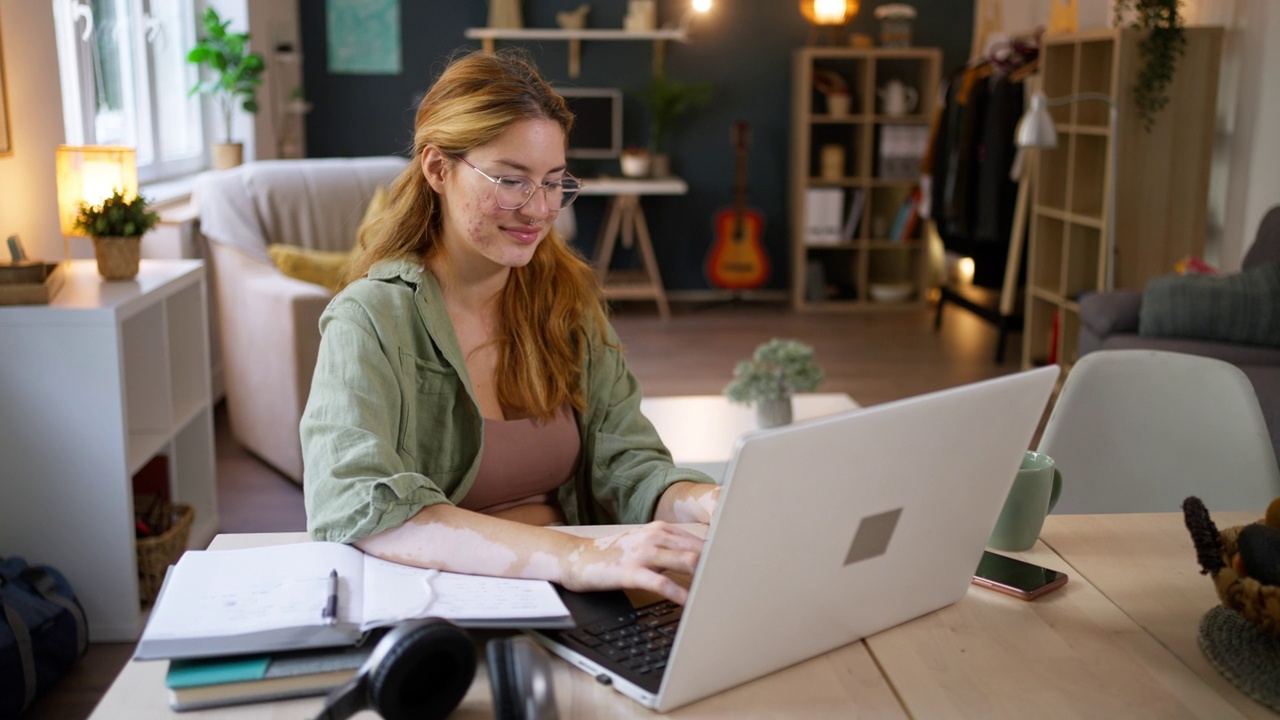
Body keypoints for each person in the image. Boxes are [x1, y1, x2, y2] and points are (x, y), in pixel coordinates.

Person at [301, 49, 719, 605]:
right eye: (510, 180)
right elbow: (357, 501)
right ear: (436, 169)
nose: (537, 209)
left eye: (553, 182)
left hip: (584, 594)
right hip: (445, 604)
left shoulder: (566, 299)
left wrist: (711, 502)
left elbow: (628, 463)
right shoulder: (371, 318)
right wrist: (576, 557)